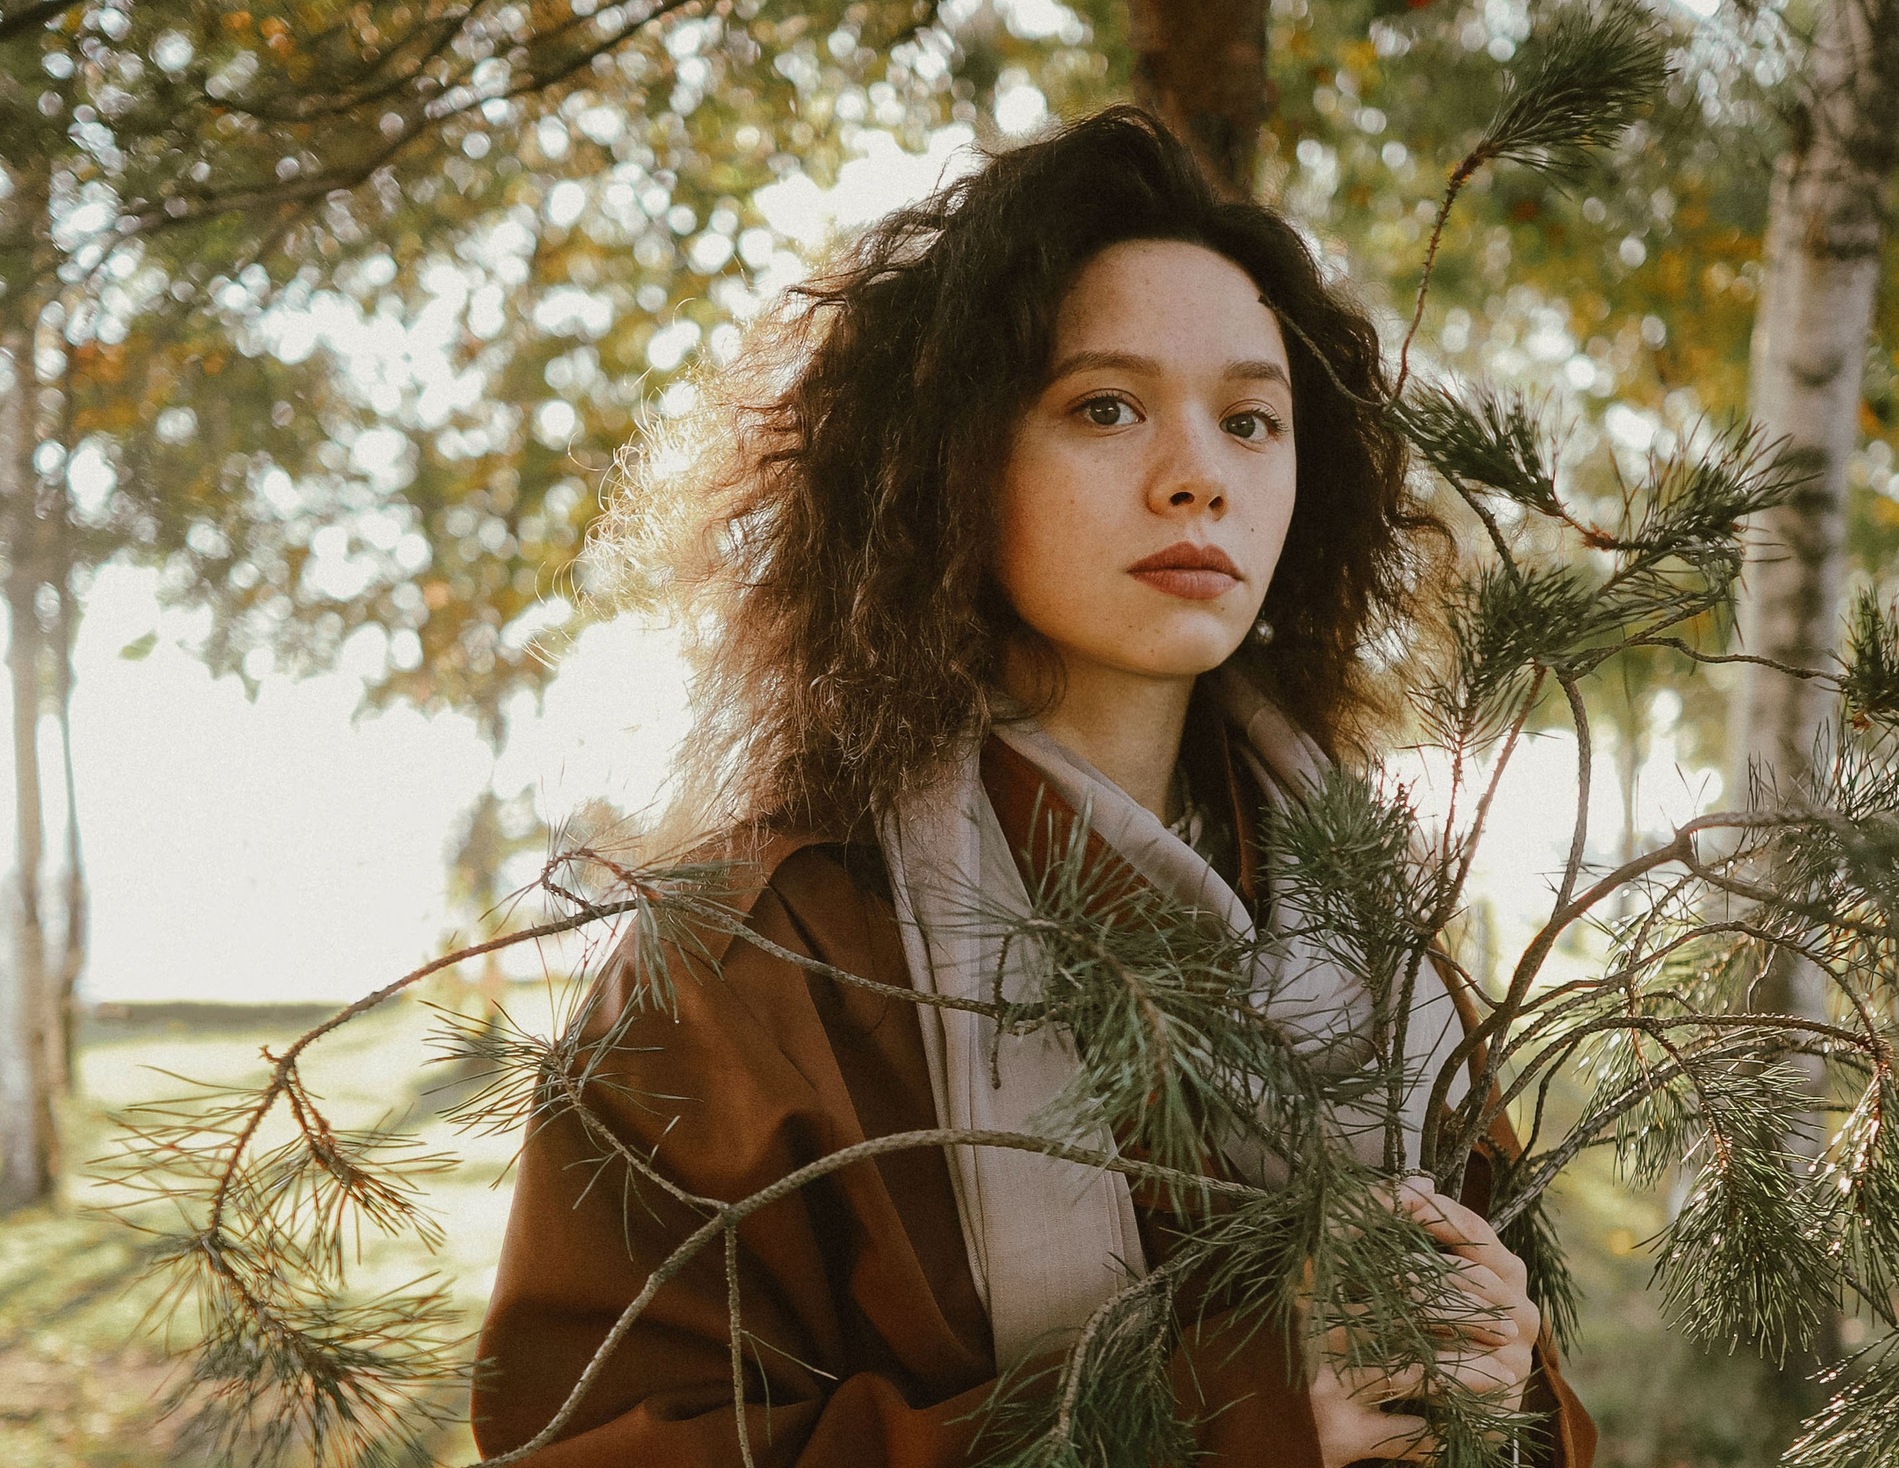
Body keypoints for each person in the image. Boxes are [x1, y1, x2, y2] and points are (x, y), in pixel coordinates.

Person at [473, 108, 1597, 1466]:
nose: (1198, 479)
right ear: (953, 461)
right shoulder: (755, 967)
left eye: (1252, 420)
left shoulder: (1378, 935)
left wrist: (1506, 1374)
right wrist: (1227, 1409)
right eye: (1104, 407)